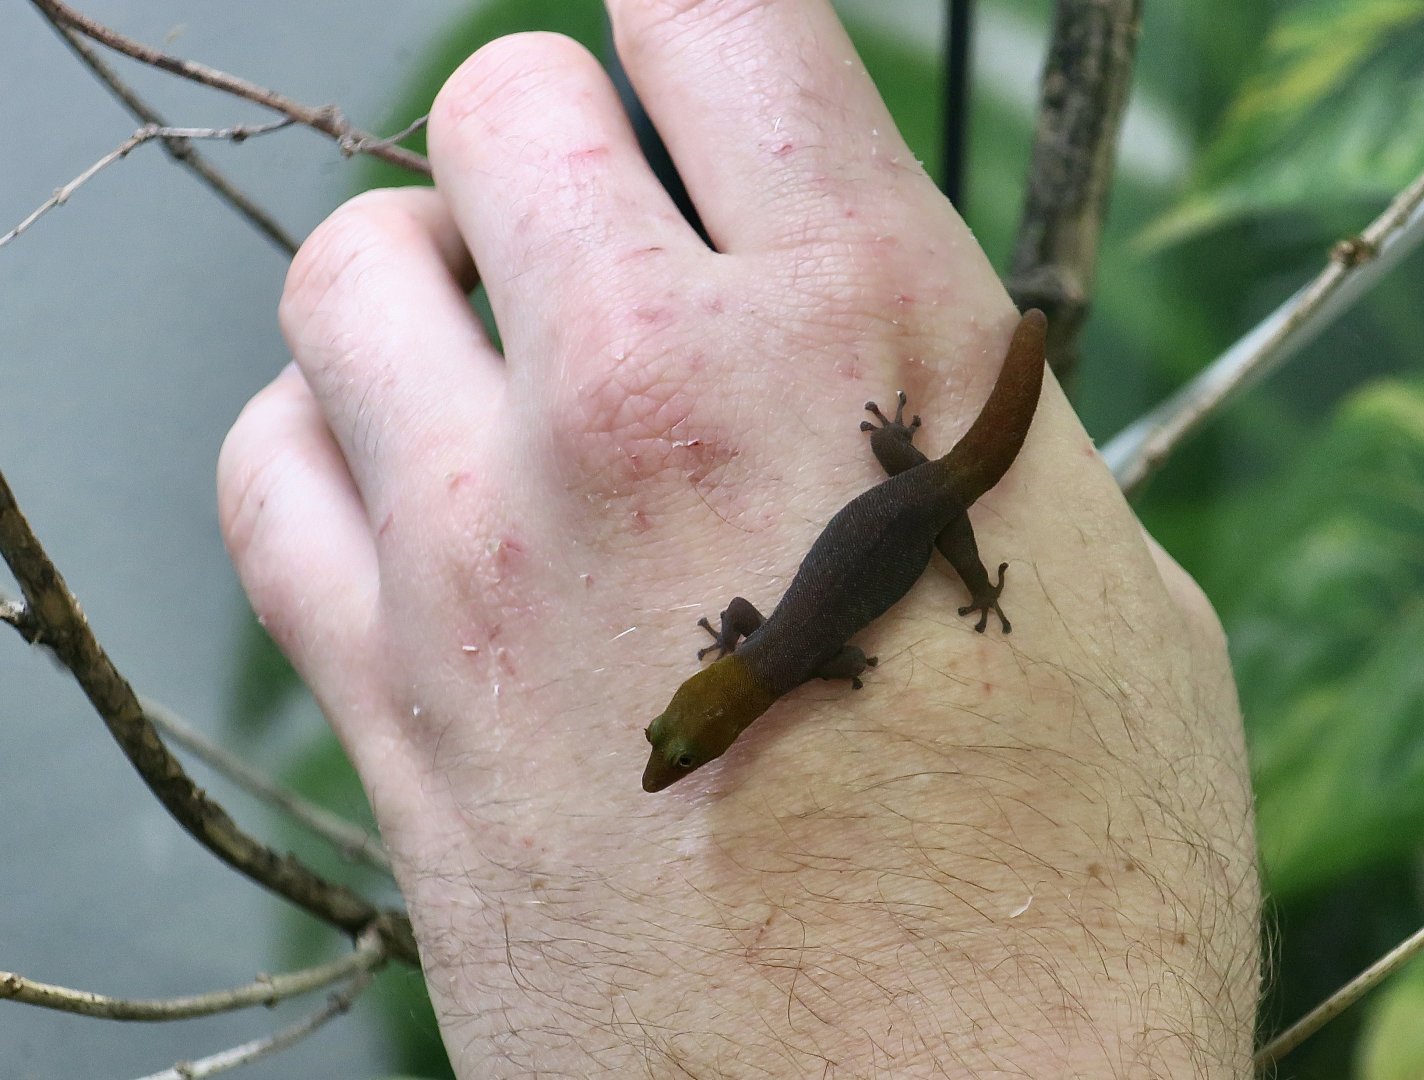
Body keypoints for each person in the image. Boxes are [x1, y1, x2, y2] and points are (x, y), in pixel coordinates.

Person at [217, 3, 1259, 1074]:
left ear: (717, 708)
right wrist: (885, 499)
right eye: (687, 746)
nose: (674, 759)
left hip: (931, 501)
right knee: (947, 500)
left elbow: (844, 655)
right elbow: (790, 636)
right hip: (907, 490)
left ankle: (969, 553)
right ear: (716, 709)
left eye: (676, 741)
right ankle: (940, 507)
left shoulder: (797, 668)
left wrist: (867, 646)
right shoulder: (775, 656)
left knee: (961, 494)